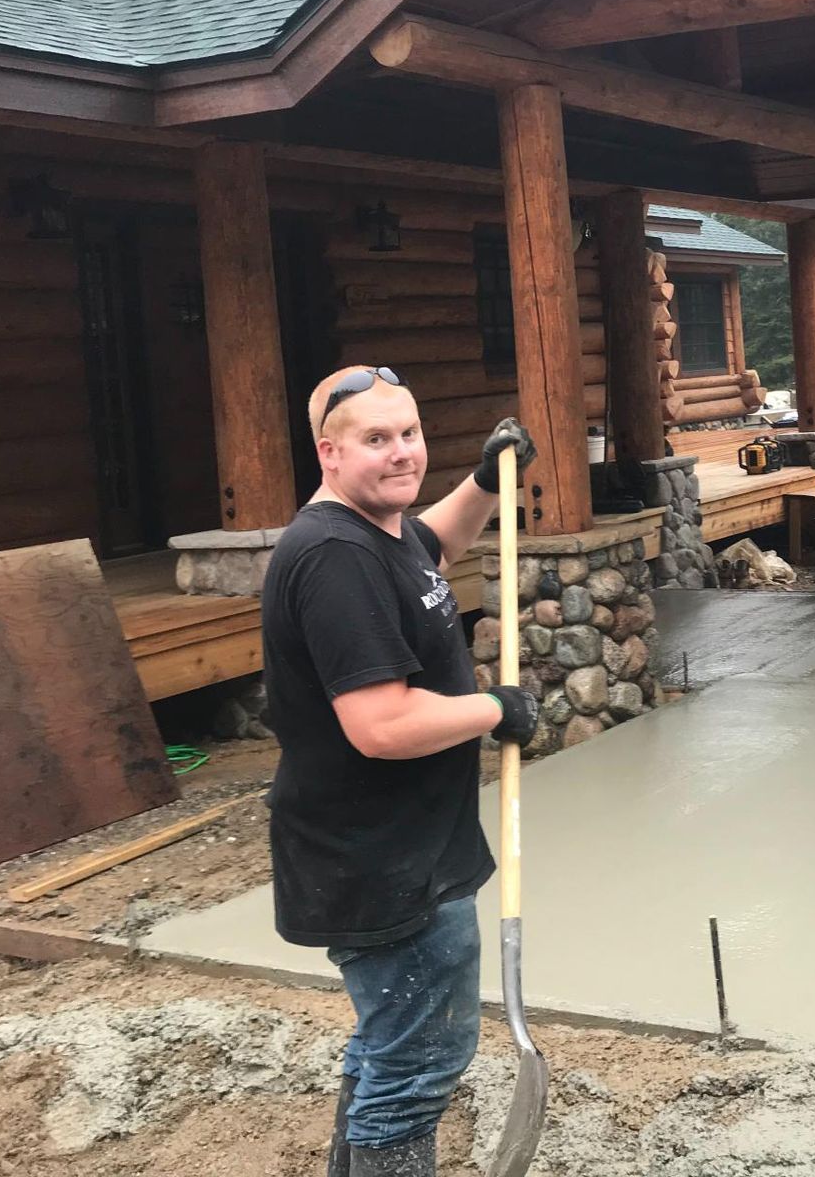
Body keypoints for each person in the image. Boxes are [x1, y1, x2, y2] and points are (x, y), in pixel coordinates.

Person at [259, 364, 540, 1177]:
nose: (401, 454)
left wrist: (484, 482)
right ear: (329, 454)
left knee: (387, 1052)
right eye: (376, 440)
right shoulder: (334, 559)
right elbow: (379, 726)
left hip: (403, 851)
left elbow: (435, 542)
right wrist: (495, 709)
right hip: (380, 864)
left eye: (409, 434)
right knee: (414, 1074)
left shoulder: (379, 531)